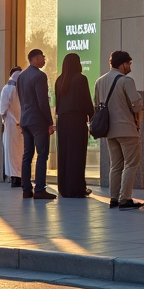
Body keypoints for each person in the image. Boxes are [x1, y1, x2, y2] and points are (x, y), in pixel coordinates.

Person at [96, 50, 144, 210]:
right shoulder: (126, 81)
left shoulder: (99, 81)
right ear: (122, 64)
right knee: (131, 164)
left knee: (115, 165)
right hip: (127, 129)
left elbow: (97, 105)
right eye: (129, 63)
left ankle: (114, 198)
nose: (130, 66)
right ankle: (125, 198)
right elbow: (137, 105)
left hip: (109, 130)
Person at [16, 49, 56, 200]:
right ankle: (40, 189)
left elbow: (21, 99)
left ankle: (26, 189)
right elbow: (42, 101)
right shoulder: (40, 76)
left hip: (25, 120)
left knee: (27, 155)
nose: (45, 60)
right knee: (42, 155)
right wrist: (50, 122)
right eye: (43, 57)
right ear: (36, 58)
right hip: (38, 122)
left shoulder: (21, 76)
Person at [54, 53, 94, 198]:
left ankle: (64, 188)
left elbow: (57, 103)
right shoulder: (81, 79)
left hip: (62, 121)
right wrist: (93, 117)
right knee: (77, 154)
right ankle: (76, 188)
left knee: (64, 153)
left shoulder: (59, 80)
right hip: (77, 120)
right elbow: (86, 101)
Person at [0, 66, 22, 188]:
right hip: (15, 125)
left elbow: (2, 109)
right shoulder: (13, 89)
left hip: (13, 125)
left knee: (13, 152)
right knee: (16, 152)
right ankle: (16, 177)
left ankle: (16, 177)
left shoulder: (7, 89)